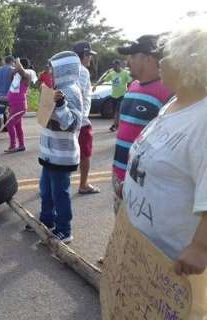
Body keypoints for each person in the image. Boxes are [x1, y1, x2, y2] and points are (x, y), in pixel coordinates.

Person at [121, 25, 207, 317]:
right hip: (145, 254)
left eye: (165, 56)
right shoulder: (174, 102)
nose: (160, 62)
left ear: (189, 62)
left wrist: (200, 247)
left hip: (175, 267)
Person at [25, 51, 83, 243]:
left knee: (60, 194)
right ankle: (46, 220)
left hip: (62, 155)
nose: (51, 73)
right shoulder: (56, 88)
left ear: (64, 70)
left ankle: (64, 230)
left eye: (54, 69)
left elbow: (73, 123)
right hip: (50, 154)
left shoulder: (72, 92)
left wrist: (61, 104)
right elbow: (46, 119)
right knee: (46, 189)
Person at [112, 35, 173, 213]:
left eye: (132, 56)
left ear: (148, 58)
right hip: (119, 176)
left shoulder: (168, 92)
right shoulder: (133, 86)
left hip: (141, 183)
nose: (127, 61)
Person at [73, 41, 100, 195]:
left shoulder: (64, 70)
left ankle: (52, 182)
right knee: (85, 153)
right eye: (89, 55)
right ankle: (83, 184)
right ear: (83, 55)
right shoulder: (82, 71)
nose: (90, 58)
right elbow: (79, 94)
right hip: (81, 121)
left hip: (68, 120)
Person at [94, 60, 132, 131]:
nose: (114, 68)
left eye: (116, 66)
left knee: (118, 111)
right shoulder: (112, 73)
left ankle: (114, 125)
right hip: (114, 95)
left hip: (122, 95)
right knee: (114, 112)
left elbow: (130, 82)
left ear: (119, 66)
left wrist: (129, 90)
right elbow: (104, 80)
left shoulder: (125, 73)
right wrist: (96, 85)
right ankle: (117, 125)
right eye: (113, 66)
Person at [5, 58, 31, 153]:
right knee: (17, 126)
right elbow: (11, 77)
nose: (15, 67)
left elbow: (20, 70)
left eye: (17, 66)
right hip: (13, 105)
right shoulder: (16, 76)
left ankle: (13, 146)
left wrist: (17, 61)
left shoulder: (27, 76)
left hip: (19, 105)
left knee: (9, 123)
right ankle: (21, 145)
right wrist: (14, 71)